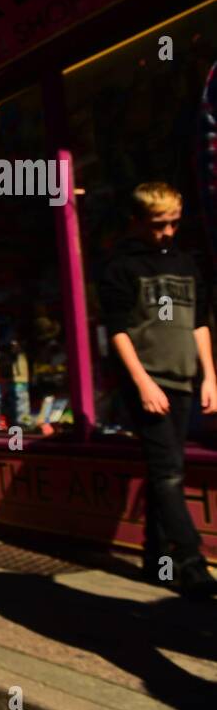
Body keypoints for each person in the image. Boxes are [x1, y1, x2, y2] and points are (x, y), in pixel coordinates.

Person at [100, 182, 217, 598]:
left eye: (174, 224)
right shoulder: (121, 266)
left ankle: (155, 561)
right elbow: (117, 332)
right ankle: (190, 561)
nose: (167, 232)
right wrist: (143, 382)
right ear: (137, 222)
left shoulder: (186, 262)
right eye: (158, 225)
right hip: (148, 380)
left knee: (165, 470)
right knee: (168, 472)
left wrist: (210, 376)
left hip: (184, 376)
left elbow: (199, 322)